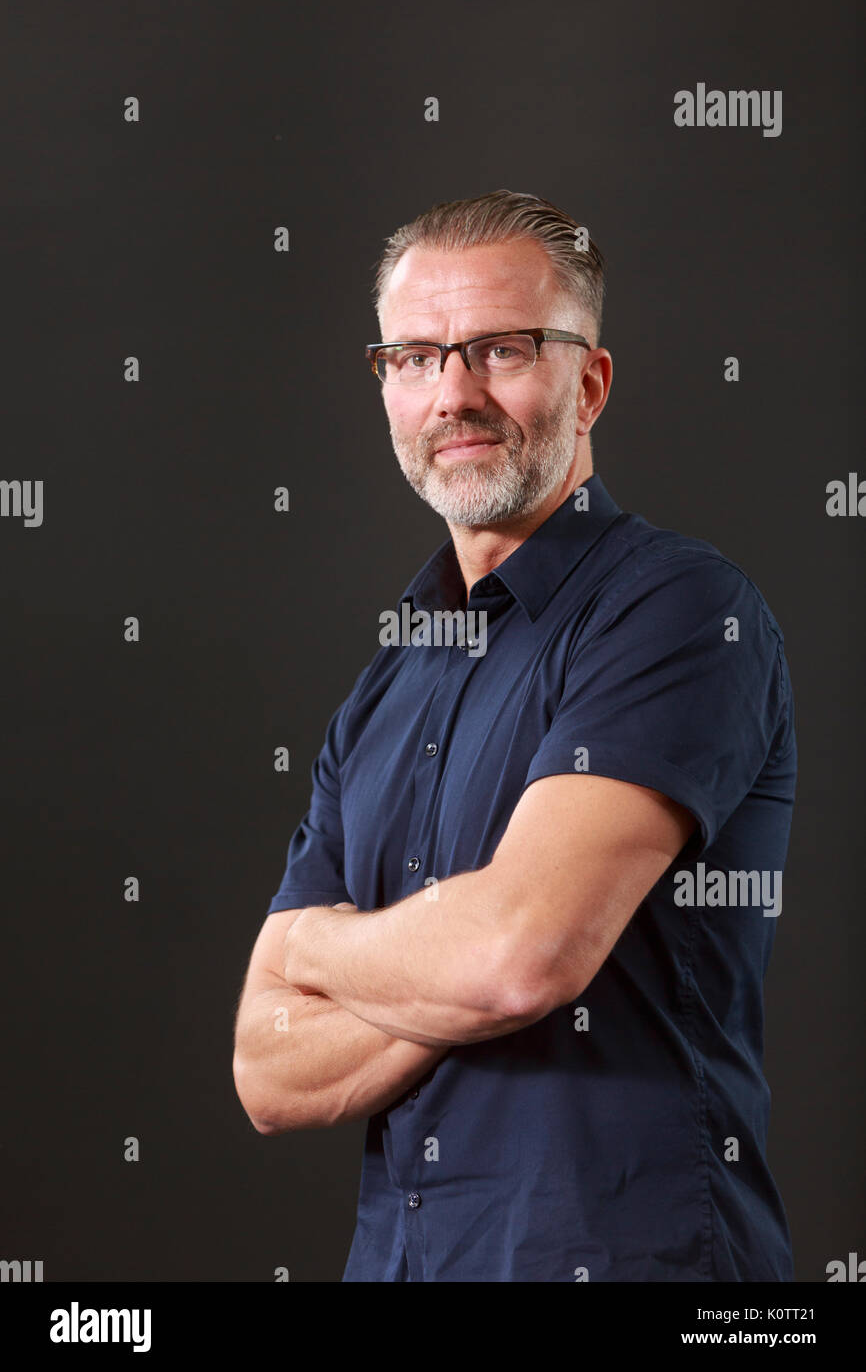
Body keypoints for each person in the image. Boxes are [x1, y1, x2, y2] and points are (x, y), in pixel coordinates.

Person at [232, 190, 797, 1282]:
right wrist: (461, 952)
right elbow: (266, 1068)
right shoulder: (385, 686)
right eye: (415, 356)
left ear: (587, 382)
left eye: (499, 349)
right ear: (386, 383)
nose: (454, 393)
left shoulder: (679, 610)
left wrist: (311, 949)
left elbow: (516, 958)